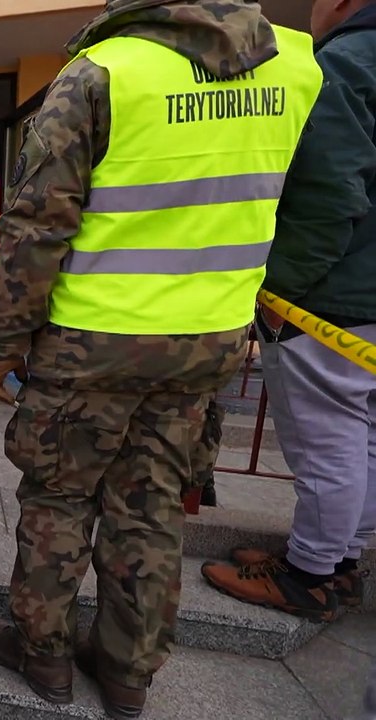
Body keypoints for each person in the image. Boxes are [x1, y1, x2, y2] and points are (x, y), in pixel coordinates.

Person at [0, 2, 321, 718]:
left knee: (59, 496)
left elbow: (36, 225)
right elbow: (314, 205)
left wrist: (4, 341)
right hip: (207, 340)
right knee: (154, 503)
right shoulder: (296, 64)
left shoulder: (103, 71)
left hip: (91, 340)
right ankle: (127, 673)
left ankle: (44, 655)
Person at [202, 0, 376, 621]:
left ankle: (308, 575)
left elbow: (326, 194)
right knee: (364, 438)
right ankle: (340, 561)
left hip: (332, 295)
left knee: (326, 440)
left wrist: (279, 289)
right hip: (362, 294)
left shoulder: (348, 64)